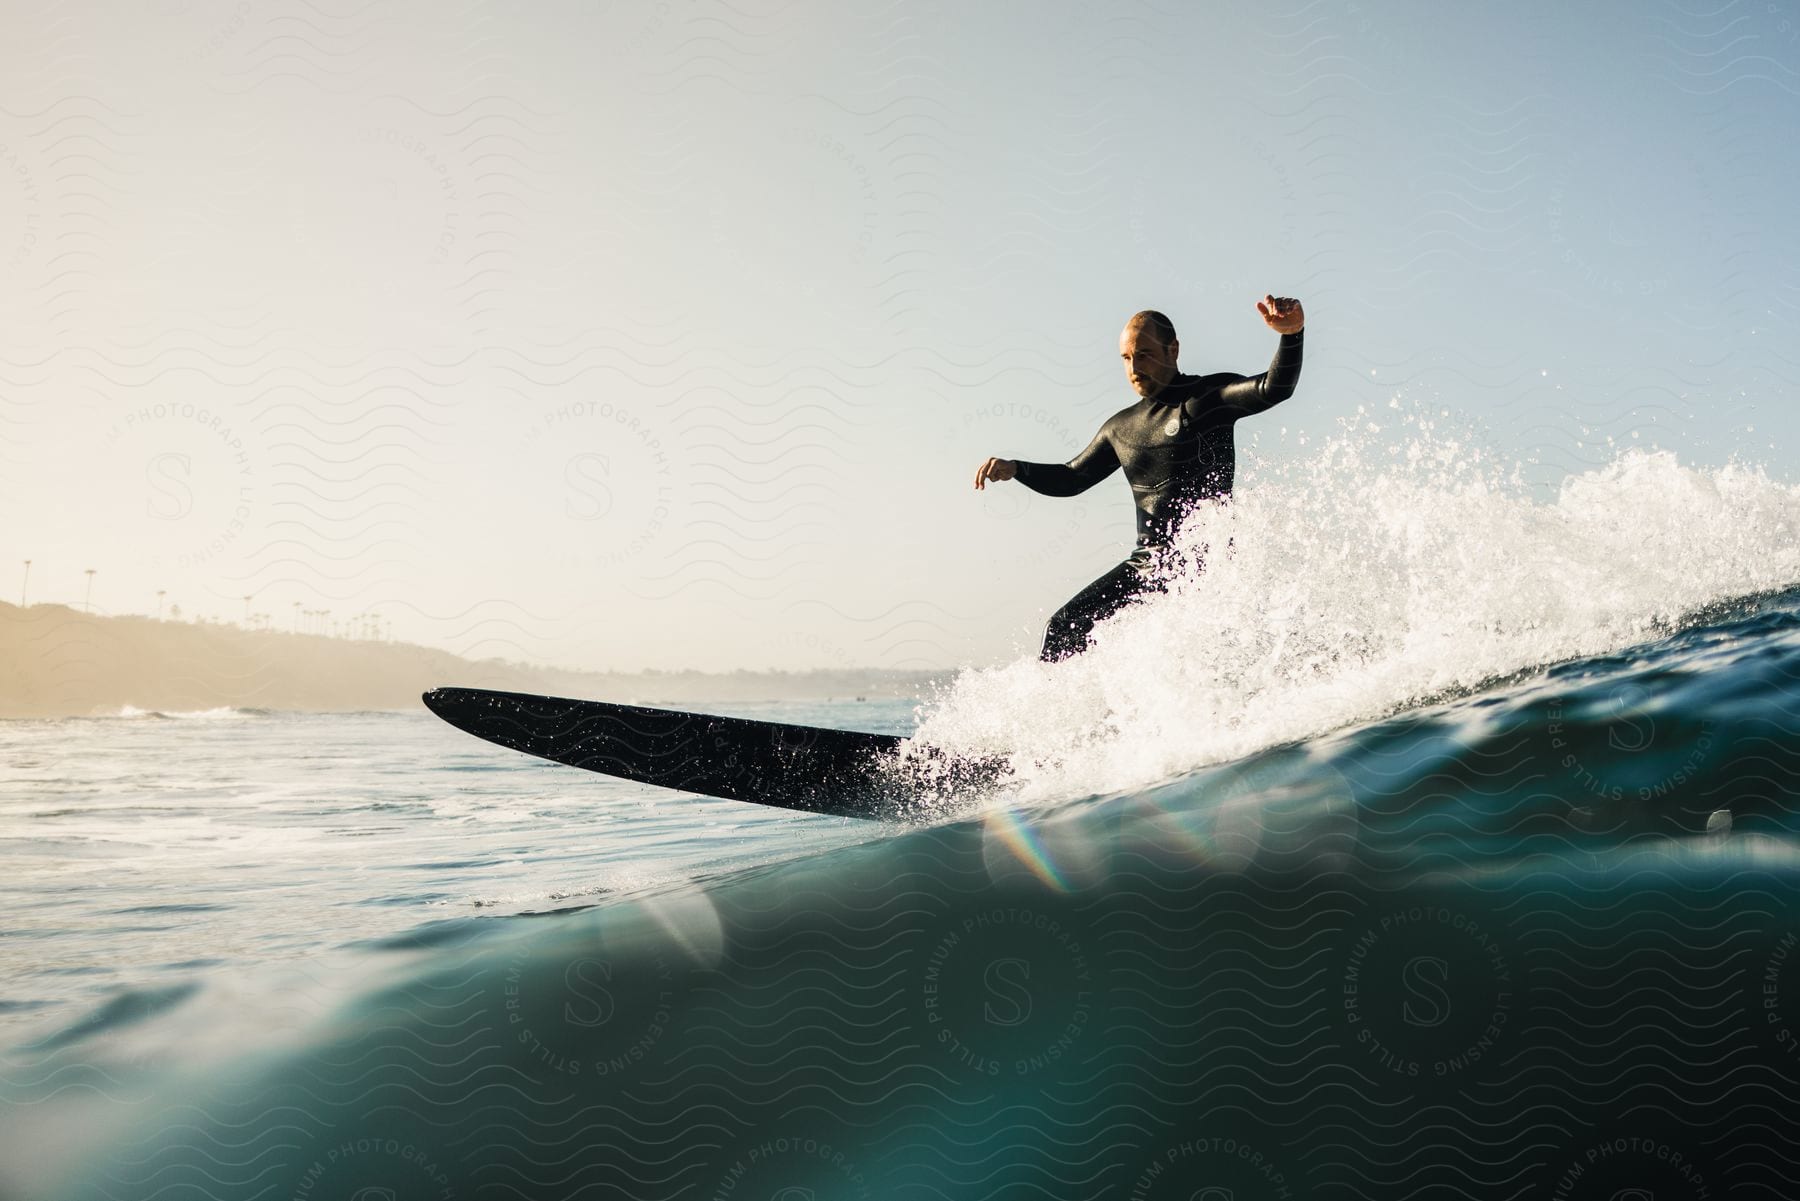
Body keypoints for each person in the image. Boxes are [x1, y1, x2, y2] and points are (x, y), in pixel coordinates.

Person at [974, 296, 1305, 661]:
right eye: (1127, 358)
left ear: (1173, 350)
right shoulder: (1121, 428)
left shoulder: (1209, 398)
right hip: (1148, 566)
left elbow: (1272, 389)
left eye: (1144, 354)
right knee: (1063, 628)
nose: (1134, 367)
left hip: (1207, 569)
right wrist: (1018, 469)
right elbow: (1072, 478)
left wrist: (1291, 335)